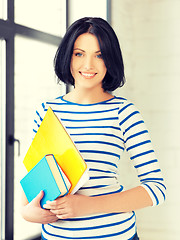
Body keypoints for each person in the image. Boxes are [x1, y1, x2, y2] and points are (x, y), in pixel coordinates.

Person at [21, 17, 166, 240]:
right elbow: (33, 180)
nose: (88, 65)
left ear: (110, 60)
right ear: (68, 56)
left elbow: (156, 188)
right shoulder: (47, 110)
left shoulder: (123, 112)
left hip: (114, 234)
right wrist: (28, 212)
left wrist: (87, 206)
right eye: (79, 54)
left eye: (99, 55)